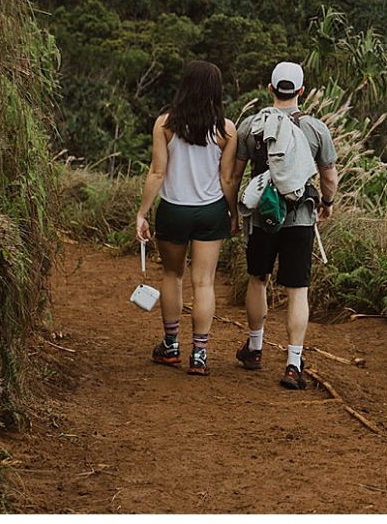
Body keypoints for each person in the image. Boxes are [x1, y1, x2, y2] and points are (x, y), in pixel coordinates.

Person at [225, 60, 338, 389]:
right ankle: (292, 363)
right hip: (301, 217)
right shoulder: (316, 128)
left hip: (262, 218)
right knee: (297, 290)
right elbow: (329, 176)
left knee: (258, 280)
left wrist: (232, 212)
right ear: (301, 91)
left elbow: (234, 175)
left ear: (270, 88)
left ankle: (255, 348)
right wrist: (327, 204)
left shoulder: (251, 125)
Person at [134, 59, 238, 376]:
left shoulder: (165, 124)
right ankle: (200, 355)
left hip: (174, 210)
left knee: (172, 276)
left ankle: (170, 346)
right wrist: (233, 213)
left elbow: (157, 172)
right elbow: (227, 180)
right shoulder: (226, 129)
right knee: (203, 282)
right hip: (210, 211)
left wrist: (142, 213)